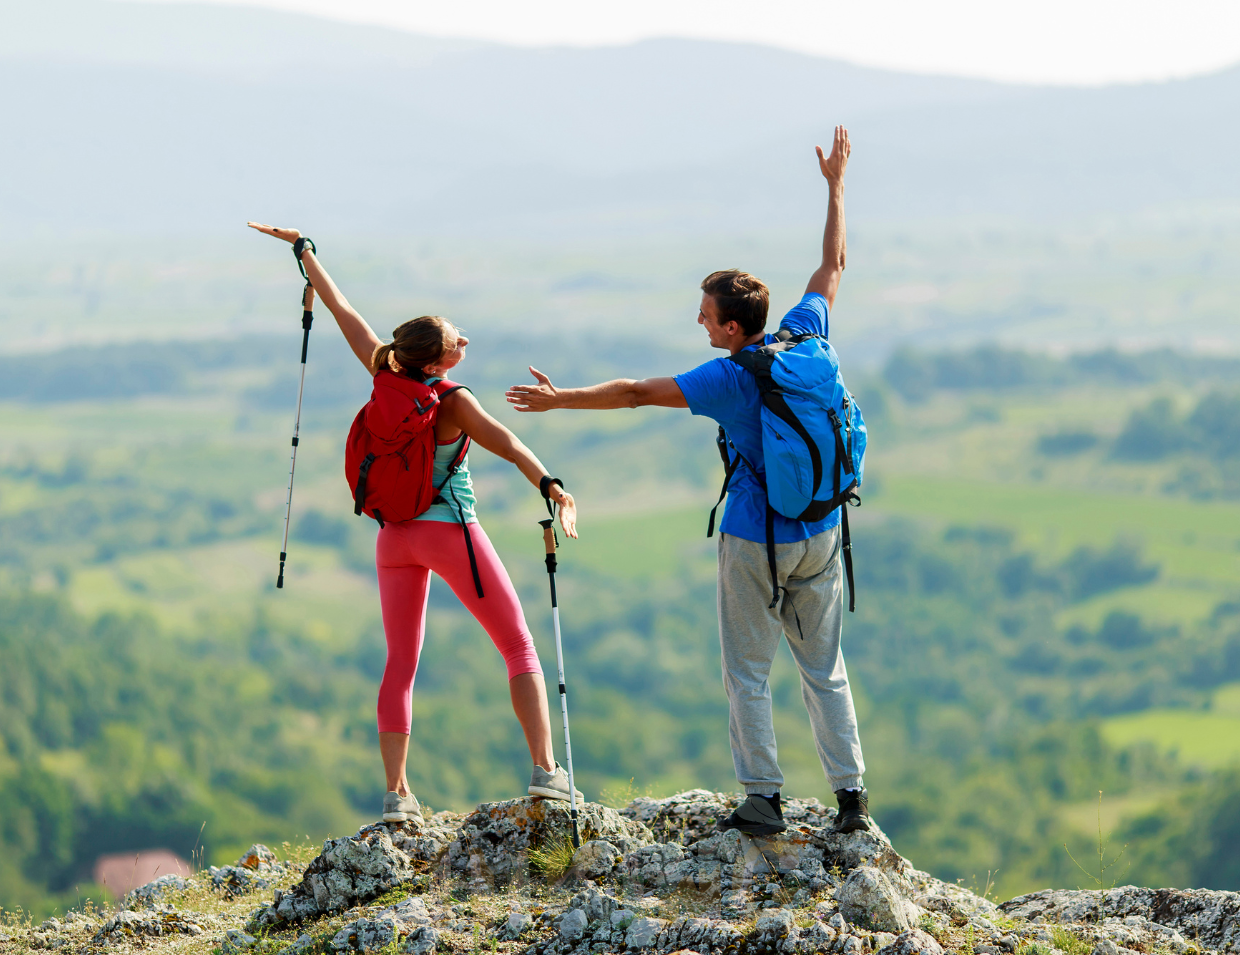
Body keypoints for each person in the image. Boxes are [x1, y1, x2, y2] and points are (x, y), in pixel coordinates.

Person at [504, 127, 872, 834]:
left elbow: (636, 392)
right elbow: (834, 265)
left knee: (748, 671)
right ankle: (851, 798)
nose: (699, 324)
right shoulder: (807, 334)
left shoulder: (731, 375)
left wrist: (559, 399)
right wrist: (835, 186)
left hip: (754, 536)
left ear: (733, 327)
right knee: (824, 668)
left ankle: (764, 797)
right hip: (824, 528)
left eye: (706, 316)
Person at [248, 222, 583, 824]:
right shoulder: (451, 401)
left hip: (393, 538)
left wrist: (306, 254)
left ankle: (397, 795)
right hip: (450, 530)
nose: (465, 342)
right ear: (439, 359)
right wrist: (551, 485)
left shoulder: (384, 371)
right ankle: (546, 773)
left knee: (400, 662)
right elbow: (505, 443)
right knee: (517, 644)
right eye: (458, 340)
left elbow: (343, 310)